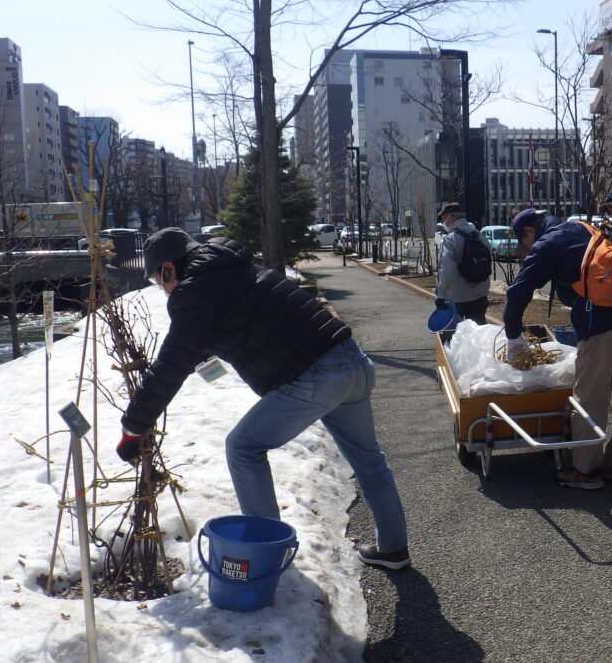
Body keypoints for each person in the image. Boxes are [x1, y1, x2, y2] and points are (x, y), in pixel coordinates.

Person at [115, 228, 410, 569]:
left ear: (168, 269)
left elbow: (169, 366)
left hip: (315, 377)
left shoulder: (193, 292)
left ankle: (269, 556)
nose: (162, 288)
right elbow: (245, 321)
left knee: (243, 448)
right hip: (352, 362)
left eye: (157, 279)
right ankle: (393, 549)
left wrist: (133, 427)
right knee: (370, 461)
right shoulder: (233, 267)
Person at [502, 209, 612, 490]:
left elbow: (518, 290)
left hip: (602, 326)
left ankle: (586, 471)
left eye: (525, 242)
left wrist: (512, 335)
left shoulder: (547, 245)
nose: (527, 248)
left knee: (590, 398)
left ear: (530, 232)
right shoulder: (584, 229)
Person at [434, 201, 491, 324]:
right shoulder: (480, 236)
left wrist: (441, 296)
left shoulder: (451, 239)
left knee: (457, 336)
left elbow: (446, 269)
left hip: (458, 298)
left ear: (451, 216)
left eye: (444, 219)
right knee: (479, 334)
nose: (444, 223)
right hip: (480, 296)